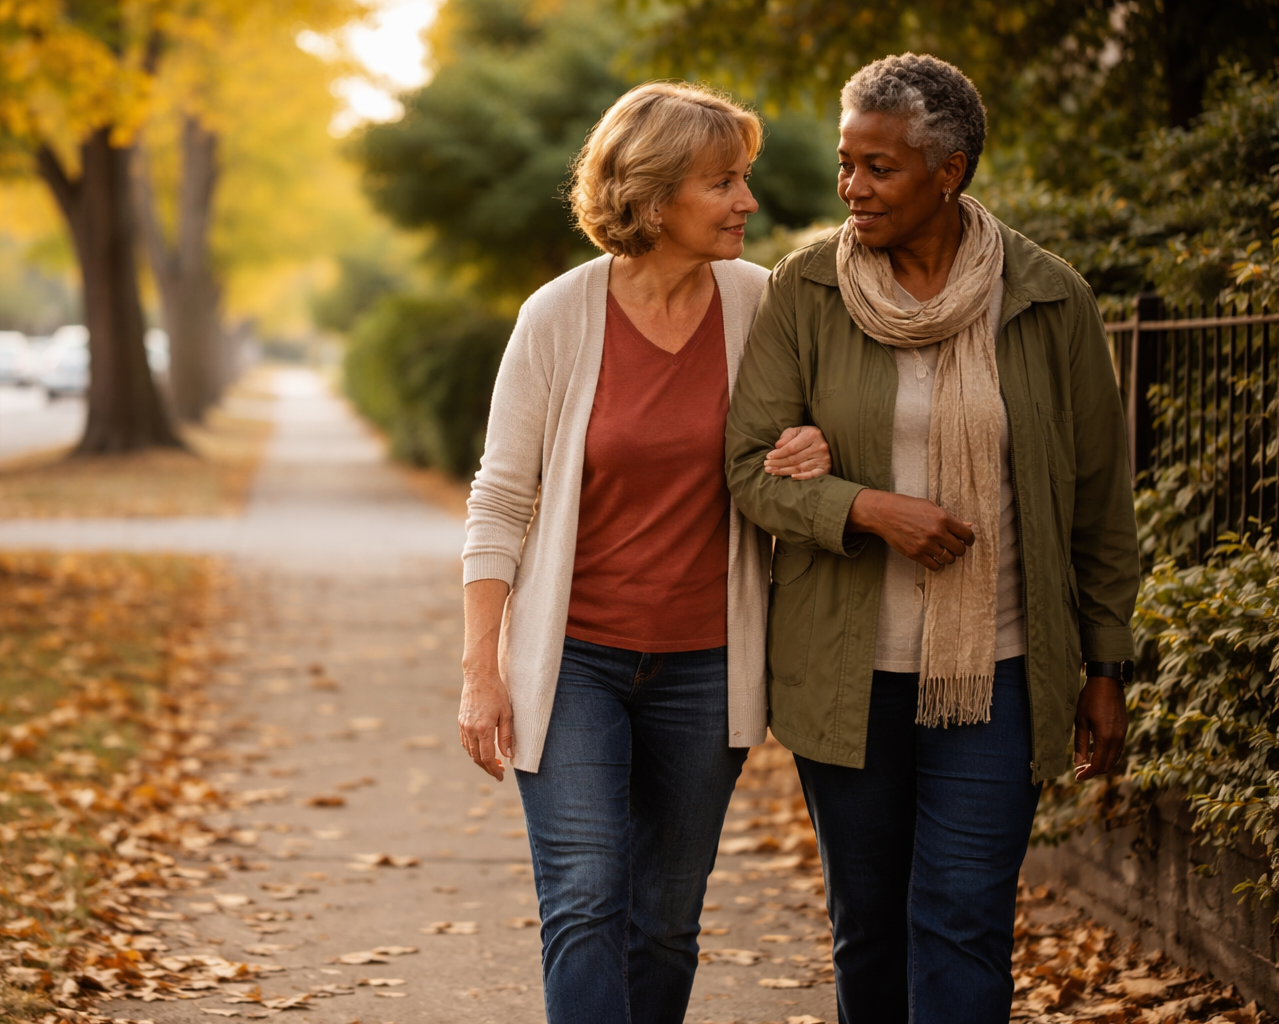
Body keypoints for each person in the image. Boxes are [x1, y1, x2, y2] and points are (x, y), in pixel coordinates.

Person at [724, 53, 1140, 1022]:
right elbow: (748, 469)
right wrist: (866, 508)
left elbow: (1097, 500)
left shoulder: (1046, 298)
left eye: (880, 167)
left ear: (948, 171)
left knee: (963, 919)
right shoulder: (811, 289)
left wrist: (1107, 661)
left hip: (994, 669)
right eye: (846, 162)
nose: (851, 188)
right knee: (867, 923)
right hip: (847, 667)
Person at [457, 81, 831, 1024]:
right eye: (725, 182)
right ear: (655, 194)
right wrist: (480, 668)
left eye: (744, 179)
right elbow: (503, 496)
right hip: (575, 659)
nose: (749, 201)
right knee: (585, 898)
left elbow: (789, 457)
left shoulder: (760, 304)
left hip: (707, 664)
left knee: (665, 919)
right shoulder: (558, 316)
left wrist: (811, 453)